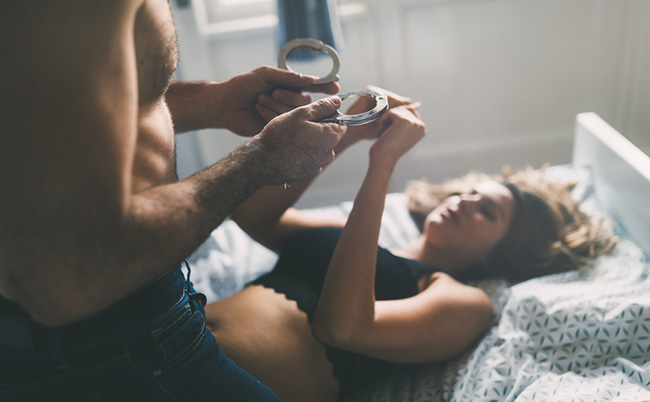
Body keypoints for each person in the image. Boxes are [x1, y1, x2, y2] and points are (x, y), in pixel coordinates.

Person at [0, 1, 346, 401]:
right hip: (114, 345)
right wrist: (260, 161)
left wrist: (214, 103)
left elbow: (54, 123)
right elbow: (67, 278)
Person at [203, 87, 618, 402]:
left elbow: (342, 327)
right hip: (174, 328)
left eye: (487, 212)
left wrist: (382, 164)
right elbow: (251, 215)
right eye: (472, 193)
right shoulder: (349, 236)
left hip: (209, 382)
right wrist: (348, 132)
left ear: (501, 252)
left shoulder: (464, 302)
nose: (464, 202)